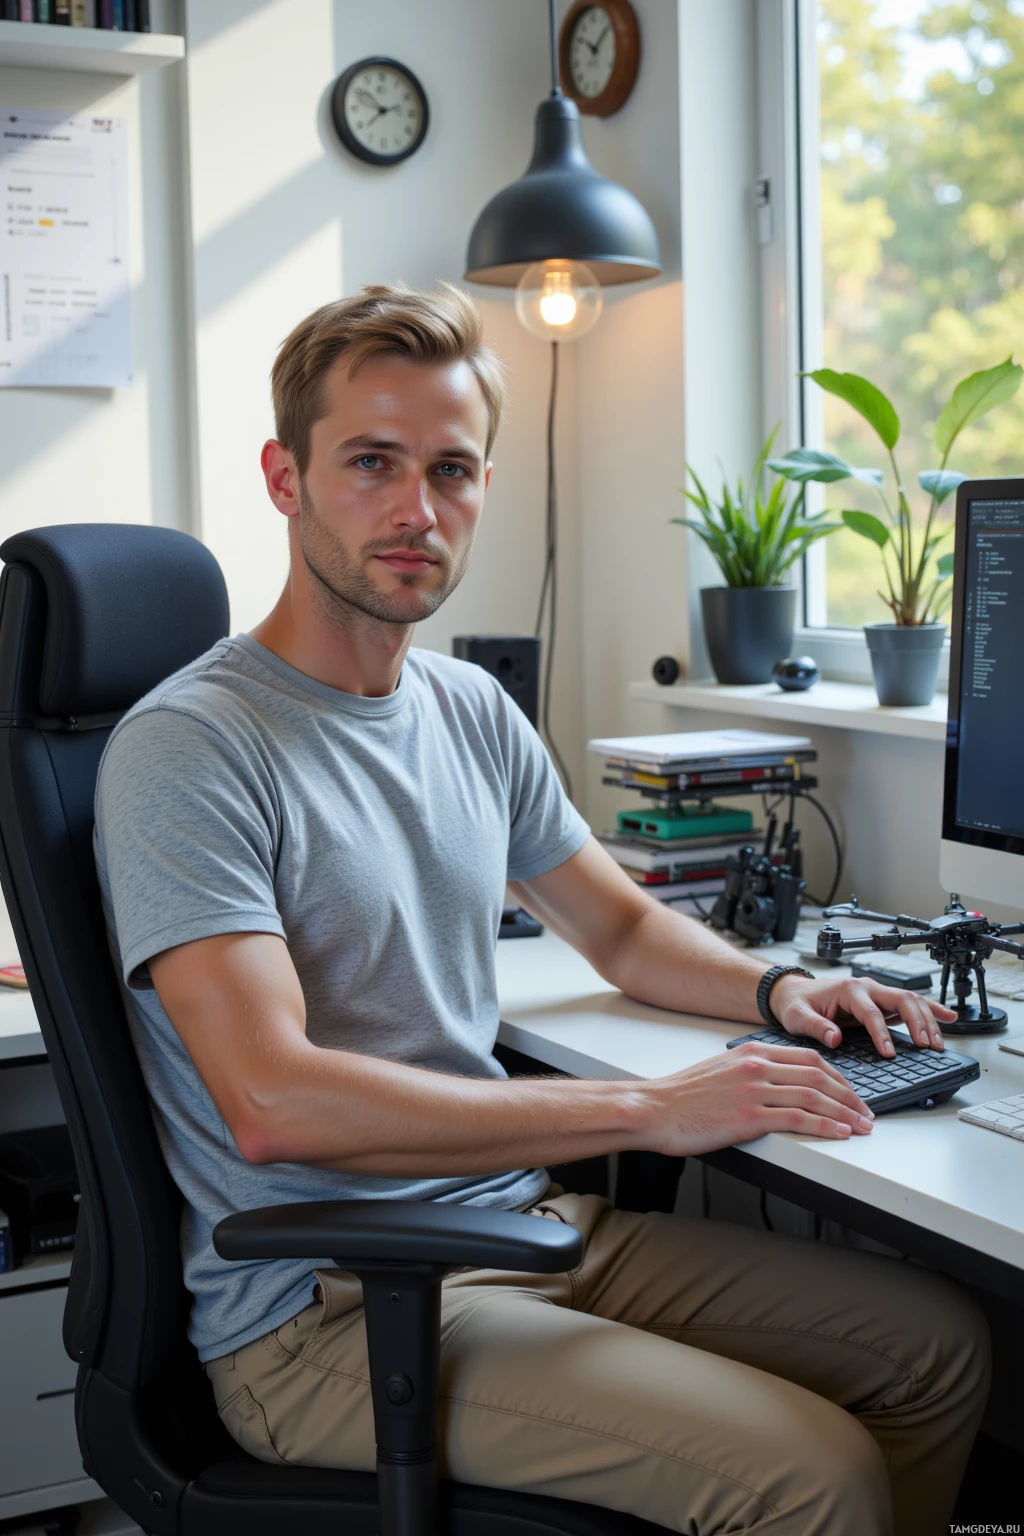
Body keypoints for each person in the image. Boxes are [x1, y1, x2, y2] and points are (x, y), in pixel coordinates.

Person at [94, 283, 988, 1536]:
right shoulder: (192, 747)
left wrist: (779, 989)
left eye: (450, 470)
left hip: (517, 1223)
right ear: (284, 479)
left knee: (938, 1351)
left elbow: (617, 927)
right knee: (810, 1473)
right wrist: (648, 1106)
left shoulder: (467, 709)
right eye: (371, 463)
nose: (417, 511)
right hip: (327, 1308)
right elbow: (271, 1100)